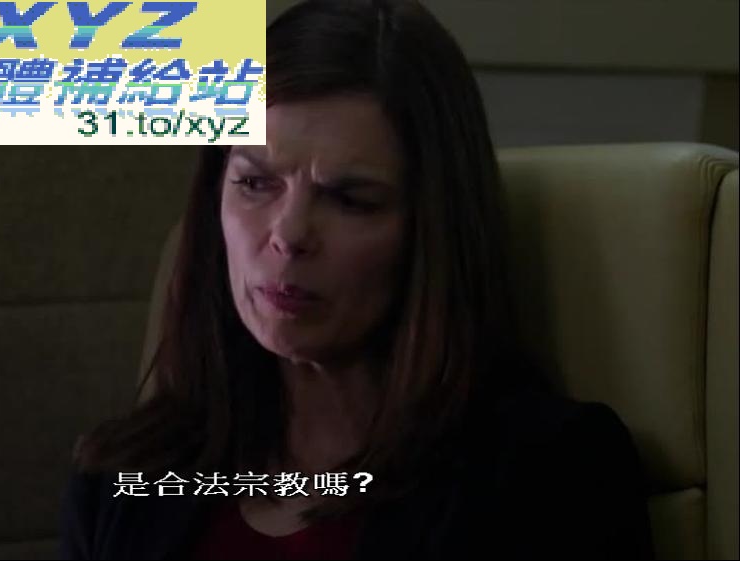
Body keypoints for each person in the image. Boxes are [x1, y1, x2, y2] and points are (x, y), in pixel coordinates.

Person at [60, 0, 655, 558]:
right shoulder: (127, 478)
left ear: (430, 231)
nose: (289, 234)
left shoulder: (547, 471)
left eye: (349, 199)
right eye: (255, 183)